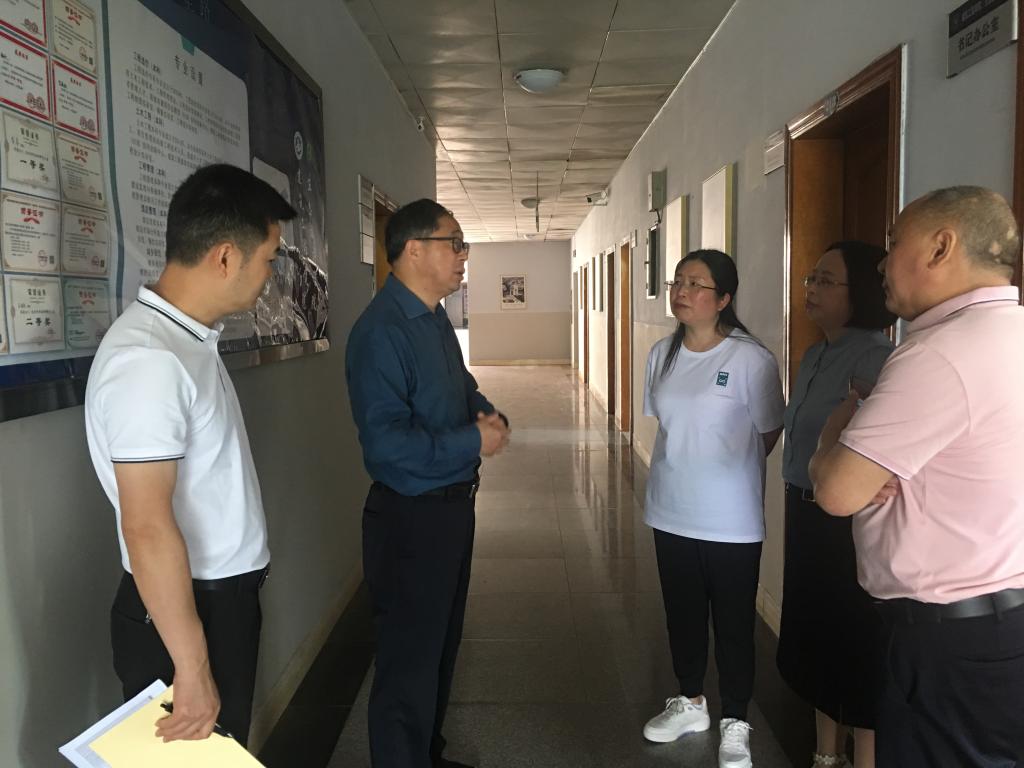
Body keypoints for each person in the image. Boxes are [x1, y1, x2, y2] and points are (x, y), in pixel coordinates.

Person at [810, 186, 1024, 767]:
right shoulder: (1010, 333)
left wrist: (831, 437)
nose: (882, 264)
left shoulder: (939, 353)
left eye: (893, 243)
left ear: (940, 246)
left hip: (948, 639)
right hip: (1000, 621)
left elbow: (836, 492)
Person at [84, 164, 296, 745]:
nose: (270, 276)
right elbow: (147, 525)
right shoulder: (150, 362)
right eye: (268, 260)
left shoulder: (184, 341)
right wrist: (193, 668)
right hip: (185, 615)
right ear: (225, 256)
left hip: (209, 605)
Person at [346, 199, 509, 768]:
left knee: (440, 646)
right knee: (407, 660)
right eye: (454, 242)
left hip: (450, 510)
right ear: (413, 250)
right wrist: (472, 441)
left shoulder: (434, 317)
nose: (463, 255)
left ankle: (425, 755)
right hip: (409, 518)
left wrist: (485, 412)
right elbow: (387, 446)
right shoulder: (381, 332)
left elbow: (460, 385)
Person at [641, 249, 784, 768]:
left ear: (723, 299)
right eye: (678, 281)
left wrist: (727, 470)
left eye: (696, 284)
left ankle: (736, 719)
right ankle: (690, 702)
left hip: (731, 519)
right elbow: (667, 423)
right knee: (682, 614)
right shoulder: (662, 353)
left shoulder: (750, 359)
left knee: (733, 623)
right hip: (670, 508)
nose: (682, 292)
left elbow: (768, 431)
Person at [776, 242, 895, 768]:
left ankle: (864, 757)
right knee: (816, 634)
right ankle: (826, 752)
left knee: (857, 641)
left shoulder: (877, 358)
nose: (812, 289)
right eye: (811, 278)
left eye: (826, 281)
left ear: (860, 292)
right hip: (804, 512)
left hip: (849, 524)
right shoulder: (815, 353)